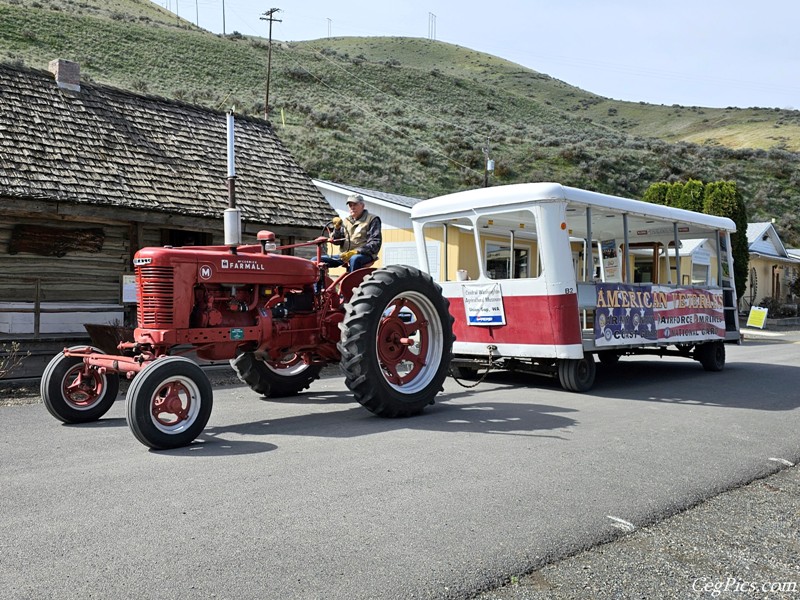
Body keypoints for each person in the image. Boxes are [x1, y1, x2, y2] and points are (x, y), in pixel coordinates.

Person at [321, 194, 382, 271]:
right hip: (344, 255)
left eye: (355, 205)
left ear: (362, 206)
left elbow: (375, 243)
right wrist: (337, 229)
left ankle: (353, 283)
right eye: (350, 205)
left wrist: (356, 251)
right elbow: (338, 241)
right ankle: (320, 283)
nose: (352, 207)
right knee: (316, 259)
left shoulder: (372, 219)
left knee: (354, 259)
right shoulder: (346, 221)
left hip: (364, 255)